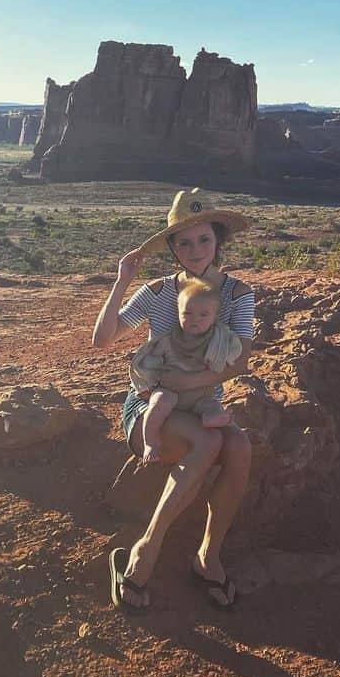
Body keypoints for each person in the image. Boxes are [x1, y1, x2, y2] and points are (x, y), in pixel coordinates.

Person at [93, 188, 255, 612]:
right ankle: (146, 548)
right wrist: (121, 281)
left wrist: (182, 381)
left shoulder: (237, 295)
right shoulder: (158, 292)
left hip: (198, 404)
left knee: (239, 447)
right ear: (172, 247)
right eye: (183, 241)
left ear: (219, 239)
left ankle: (208, 555)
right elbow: (103, 339)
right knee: (210, 442)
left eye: (204, 239)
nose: (195, 249)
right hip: (153, 408)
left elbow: (239, 362)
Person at [130, 276, 244, 463]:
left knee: (212, 406)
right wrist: (147, 384)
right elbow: (150, 360)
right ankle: (150, 441)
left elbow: (234, 349)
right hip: (170, 390)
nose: (194, 320)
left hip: (200, 395)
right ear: (179, 313)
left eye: (203, 315)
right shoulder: (169, 339)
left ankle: (211, 418)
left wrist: (229, 358)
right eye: (187, 314)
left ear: (215, 315)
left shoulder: (219, 339)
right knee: (159, 403)